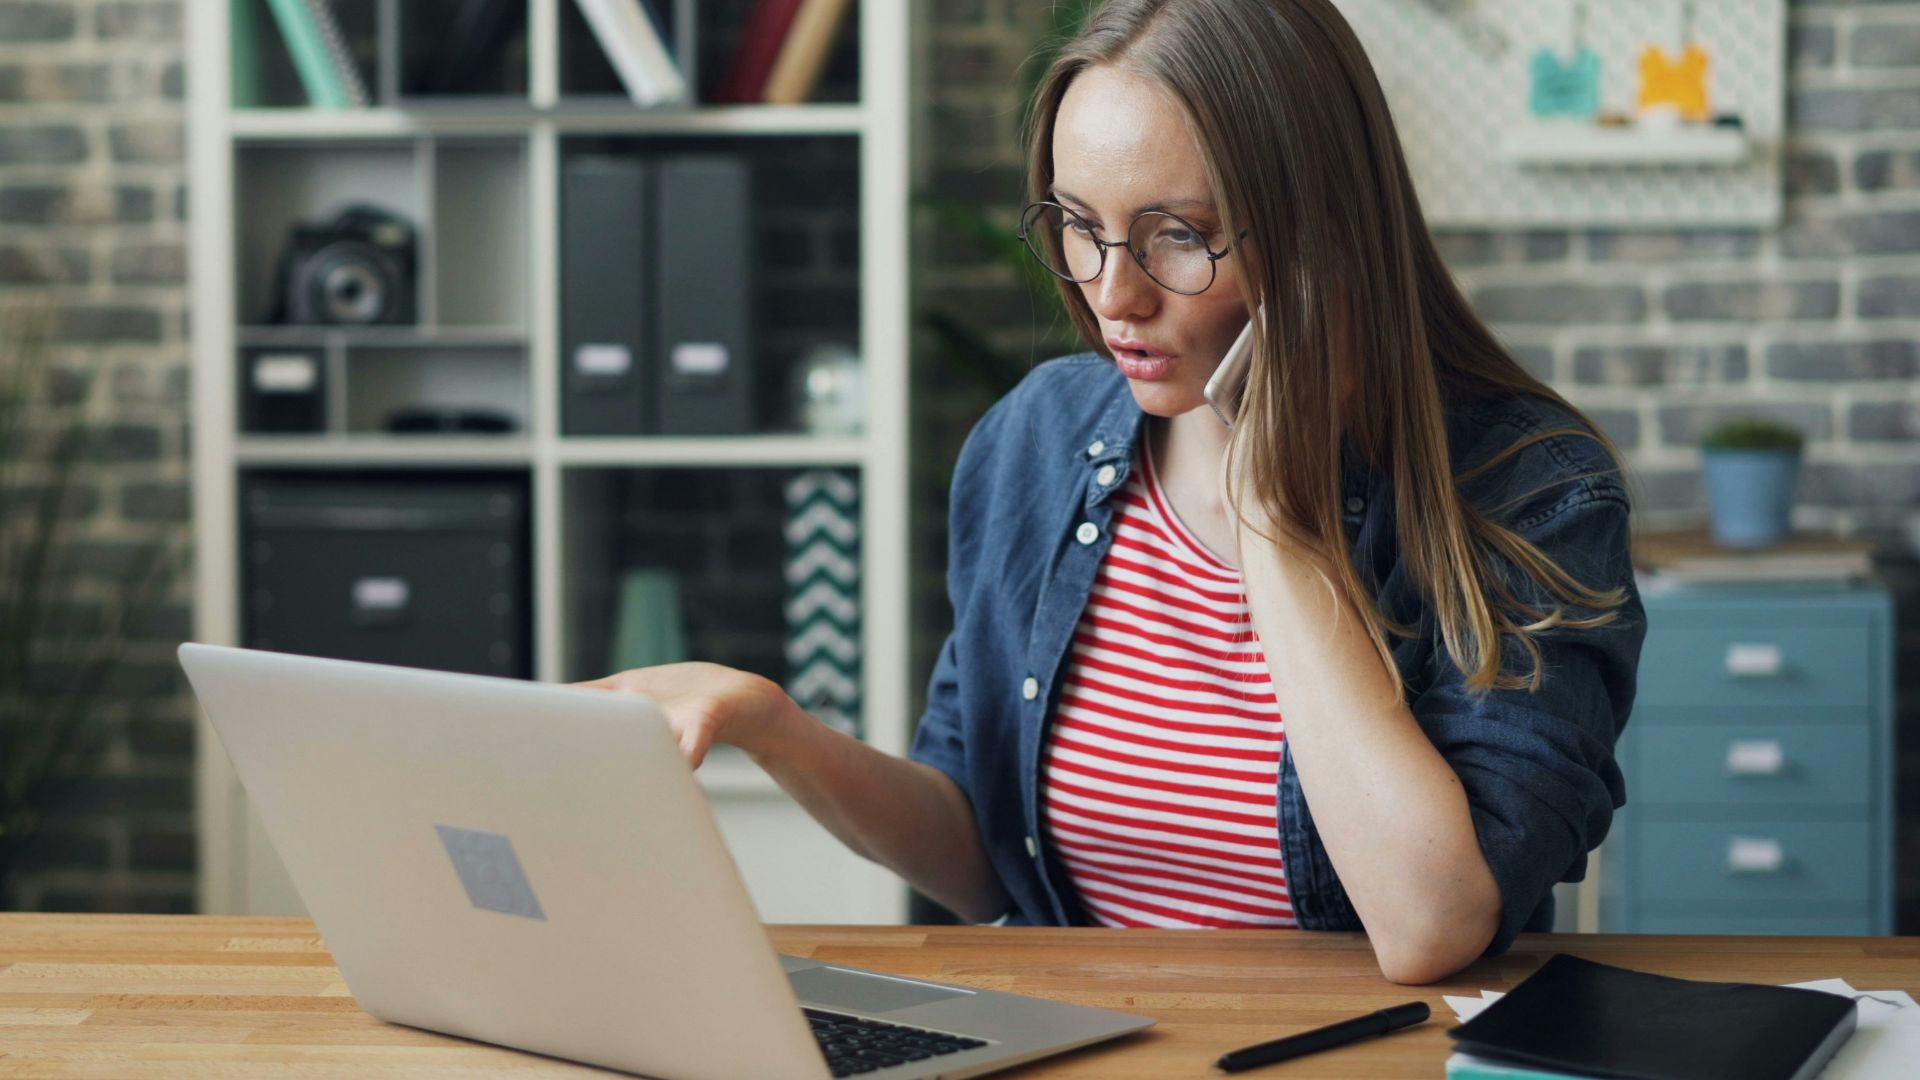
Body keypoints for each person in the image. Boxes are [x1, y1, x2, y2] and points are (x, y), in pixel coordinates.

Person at [580, 0, 1644, 986]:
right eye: (1079, 225)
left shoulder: (1527, 490)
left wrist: (1274, 517)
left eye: (1178, 234)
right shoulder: (1038, 440)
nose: (1111, 294)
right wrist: (777, 729)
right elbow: (982, 861)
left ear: (1324, 235)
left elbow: (1432, 925)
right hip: (1096, 1041)